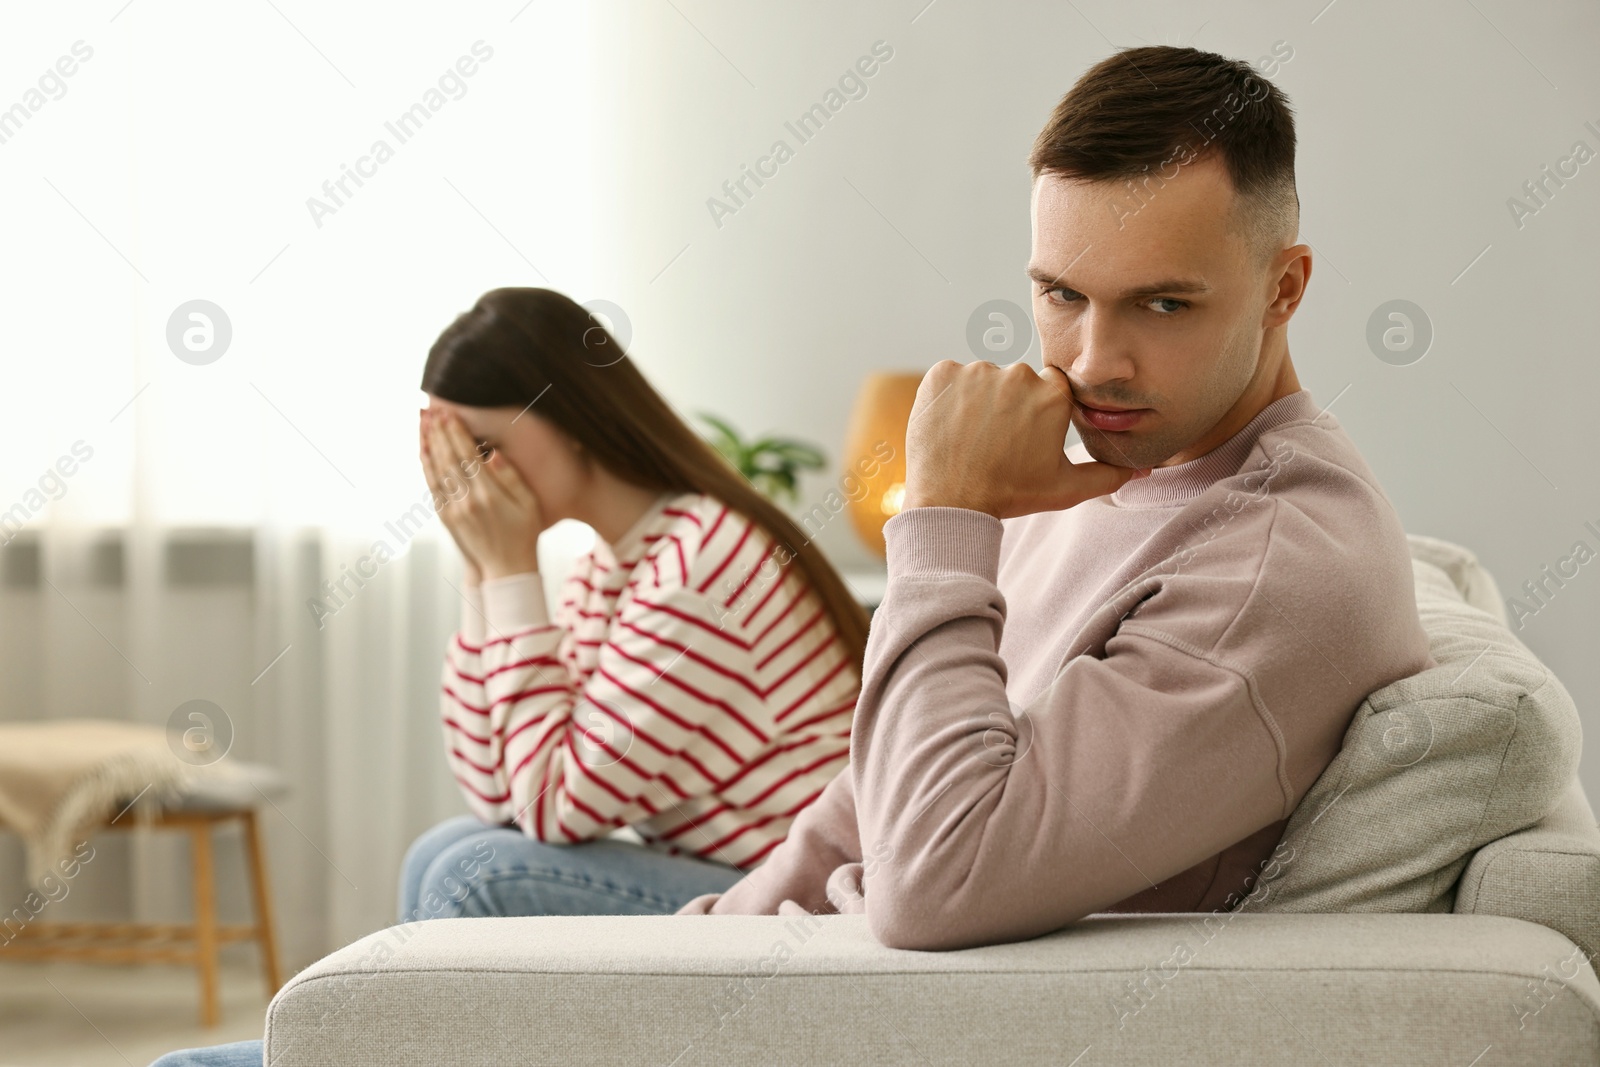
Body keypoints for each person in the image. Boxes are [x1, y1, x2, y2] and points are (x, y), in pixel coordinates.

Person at [676, 45, 1436, 950]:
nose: (1091, 363)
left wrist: (945, 516)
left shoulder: (1275, 566)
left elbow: (936, 885)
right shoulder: (1099, 472)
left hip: (897, 995)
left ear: (1284, 288)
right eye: (1062, 293)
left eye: (1162, 306)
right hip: (791, 949)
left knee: (476, 873)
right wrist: (700, 941)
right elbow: (865, 796)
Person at [148, 288, 867, 1065]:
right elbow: (500, 791)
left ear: (572, 415)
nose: (470, 481)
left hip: (785, 903)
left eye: (482, 447)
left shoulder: (700, 560)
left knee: (472, 871)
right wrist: (484, 566)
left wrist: (509, 564)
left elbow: (554, 808)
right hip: (719, 873)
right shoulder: (616, 565)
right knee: (445, 849)